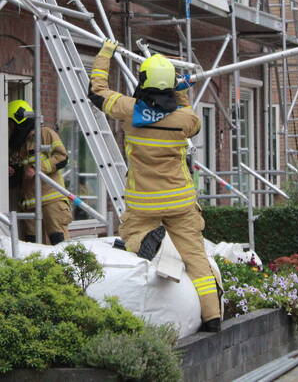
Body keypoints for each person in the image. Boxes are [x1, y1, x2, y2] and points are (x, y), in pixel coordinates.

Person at [88, 39, 222, 332]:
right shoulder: (185, 120)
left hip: (144, 202)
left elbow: (96, 93)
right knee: (196, 258)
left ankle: (148, 240)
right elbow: (188, 113)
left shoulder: (128, 109)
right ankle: (213, 316)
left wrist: (105, 53)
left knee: (130, 236)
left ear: (144, 81)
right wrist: (181, 89)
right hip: (181, 201)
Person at [6, 99, 72, 245]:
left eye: (11, 124)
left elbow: (62, 157)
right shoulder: (19, 146)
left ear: (19, 119)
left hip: (52, 201)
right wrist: (13, 172)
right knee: (32, 247)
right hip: (29, 205)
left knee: (59, 244)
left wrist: (37, 169)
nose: (10, 128)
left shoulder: (45, 134)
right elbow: (22, 174)